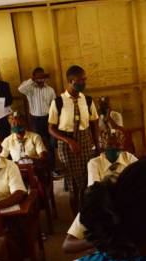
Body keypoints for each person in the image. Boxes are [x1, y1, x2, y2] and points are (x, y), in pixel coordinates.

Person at [62, 131, 138, 254]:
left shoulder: (129, 158)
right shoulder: (94, 163)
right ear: (102, 145)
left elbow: (139, 180)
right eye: (110, 145)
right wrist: (101, 240)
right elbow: (67, 245)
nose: (113, 148)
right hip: (102, 203)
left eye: (117, 145)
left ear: (122, 145)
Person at [48, 65, 99, 216]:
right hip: (66, 143)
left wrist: (97, 146)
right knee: (73, 184)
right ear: (70, 81)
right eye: (80, 80)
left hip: (84, 141)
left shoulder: (87, 100)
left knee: (86, 181)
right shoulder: (58, 102)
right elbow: (51, 128)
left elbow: (94, 123)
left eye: (85, 79)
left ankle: (86, 214)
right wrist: (69, 141)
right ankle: (75, 218)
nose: (84, 82)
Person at [18, 67, 57, 171]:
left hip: (48, 119)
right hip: (35, 120)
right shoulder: (30, 89)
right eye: (38, 78)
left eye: (42, 77)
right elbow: (20, 89)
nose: (41, 80)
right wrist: (32, 79)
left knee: (51, 144)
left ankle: (52, 168)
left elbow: (54, 106)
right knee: (39, 143)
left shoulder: (50, 90)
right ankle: (42, 168)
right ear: (35, 78)